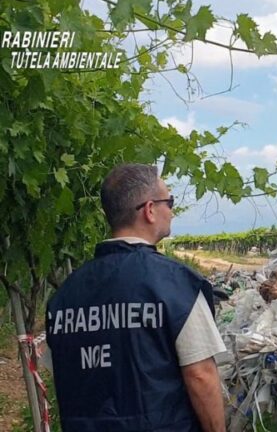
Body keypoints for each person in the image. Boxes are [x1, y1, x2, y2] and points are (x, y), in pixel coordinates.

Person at [46, 164, 227, 432]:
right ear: (150, 210)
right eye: (170, 201)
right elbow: (200, 375)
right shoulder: (178, 286)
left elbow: (61, 370)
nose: (173, 211)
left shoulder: (64, 295)